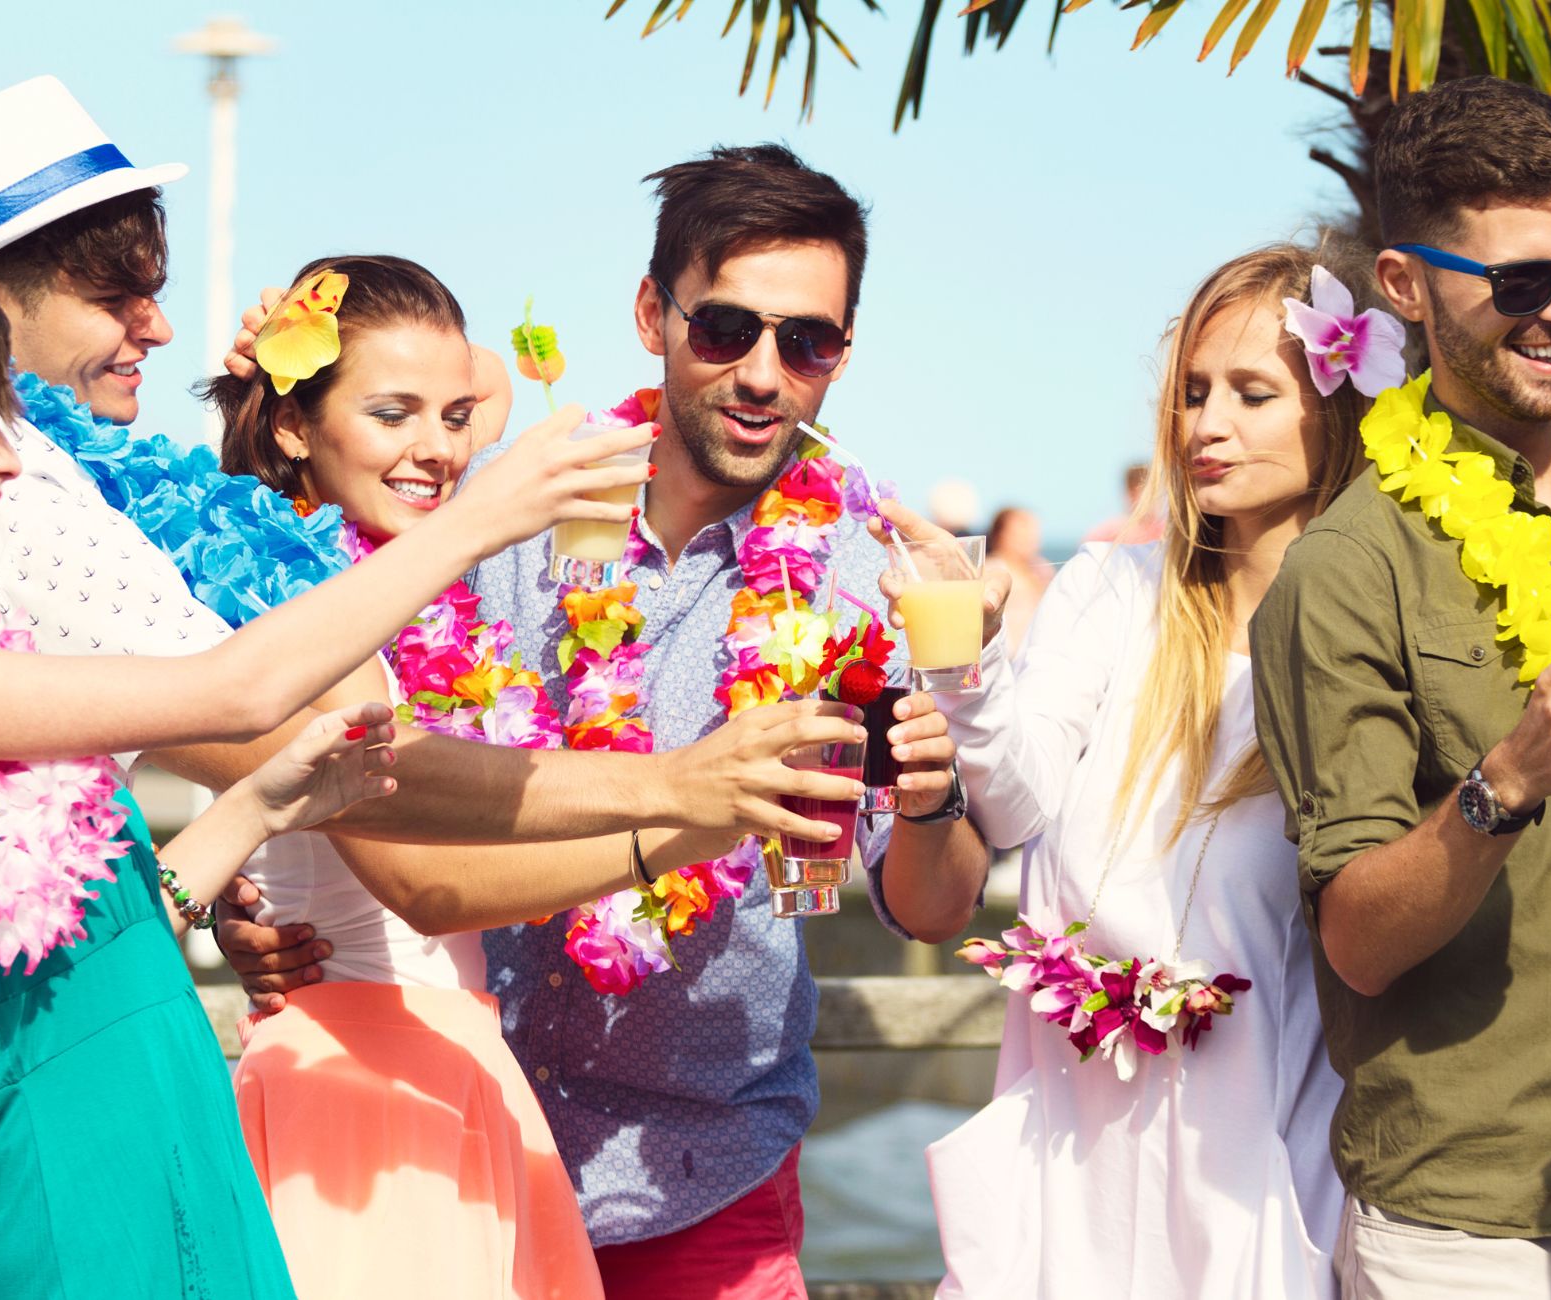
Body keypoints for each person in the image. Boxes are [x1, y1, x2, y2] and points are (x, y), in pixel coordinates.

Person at [0, 240, 652, 1295]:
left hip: (184, 1179)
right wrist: (482, 519)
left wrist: (254, 806)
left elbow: (99, 956)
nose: (10, 463)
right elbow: (237, 688)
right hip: (88, 1224)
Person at [219, 144, 986, 1299]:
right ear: (651, 312)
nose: (764, 372)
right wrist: (254, 885)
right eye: (726, 327)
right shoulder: (508, 504)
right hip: (458, 1153)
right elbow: (332, 501)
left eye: (808, 341)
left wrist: (934, 796)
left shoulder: (867, 573)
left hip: (708, 1173)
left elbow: (930, 904)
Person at [882, 240, 1399, 1298]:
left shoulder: (1370, 635)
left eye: (1251, 393)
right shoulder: (1111, 588)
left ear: (1334, 407)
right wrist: (963, 663)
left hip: (1258, 1169)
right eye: (1192, 392)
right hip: (1071, 1162)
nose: (1204, 425)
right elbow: (1013, 801)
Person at [1251, 77, 1551, 1297]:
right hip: (1470, 1237)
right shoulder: (1344, 568)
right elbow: (1357, 943)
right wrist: (1507, 778)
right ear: (1403, 285)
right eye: (1518, 282)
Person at [984, 506, 1054, 648]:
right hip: (1005, 658)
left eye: (1032, 532)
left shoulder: (1040, 569)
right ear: (1000, 534)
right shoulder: (992, 569)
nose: (1030, 538)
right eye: (1021, 532)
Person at [1083, 462, 1164, 545]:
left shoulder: (1164, 531)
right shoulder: (1109, 533)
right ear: (1131, 492)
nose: (1158, 496)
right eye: (1151, 490)